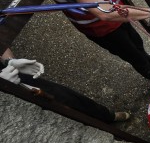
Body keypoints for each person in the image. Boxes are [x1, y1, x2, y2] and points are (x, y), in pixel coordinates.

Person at [1, 48, 130, 123]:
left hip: (11, 75)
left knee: (66, 96)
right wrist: (5, 87)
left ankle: (107, 116)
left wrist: (9, 62)